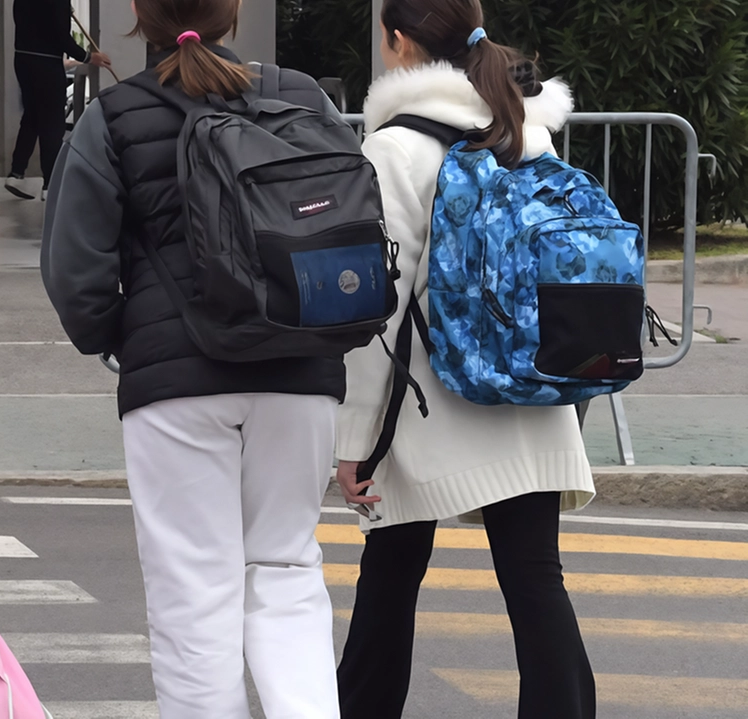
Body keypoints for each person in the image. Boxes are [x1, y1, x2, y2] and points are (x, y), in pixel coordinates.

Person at [41, 1, 347, 716]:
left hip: (175, 387)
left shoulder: (112, 117)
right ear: (232, 14)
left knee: (194, 594)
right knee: (286, 570)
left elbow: (75, 273)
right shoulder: (302, 97)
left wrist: (125, 337)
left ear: (139, 19)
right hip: (301, 376)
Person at [333, 1, 596, 717]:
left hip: (429, 403)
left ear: (398, 42)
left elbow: (377, 312)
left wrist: (358, 442)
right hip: (530, 392)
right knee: (537, 580)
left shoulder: (395, 149)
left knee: (390, 572)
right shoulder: (523, 132)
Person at [5, 0, 111, 201]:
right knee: (52, 123)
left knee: (32, 117)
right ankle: (50, 184)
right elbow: (62, 38)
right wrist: (89, 57)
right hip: (47, 63)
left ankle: (16, 173)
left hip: (23, 60)